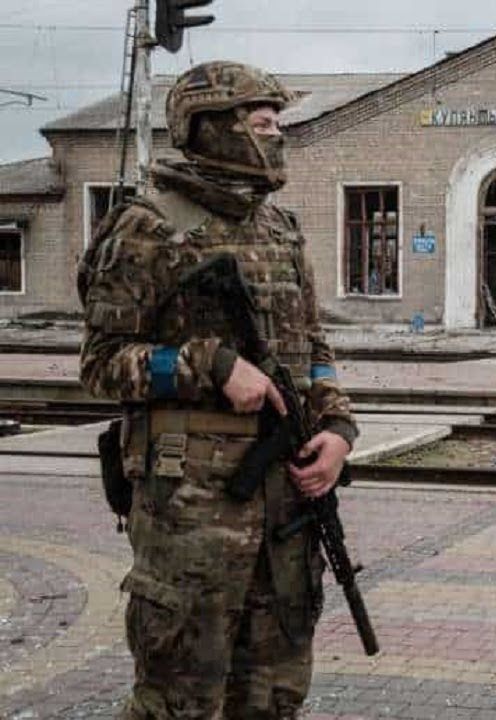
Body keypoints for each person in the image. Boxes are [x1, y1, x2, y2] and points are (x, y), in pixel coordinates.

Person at [79, 61, 357, 719]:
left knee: (274, 696)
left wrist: (338, 429)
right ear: (210, 128)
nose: (277, 134)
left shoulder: (280, 229)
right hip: (191, 512)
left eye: (278, 123)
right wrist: (210, 366)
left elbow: (313, 350)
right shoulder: (147, 225)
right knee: (178, 701)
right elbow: (102, 363)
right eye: (262, 122)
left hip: (286, 507)